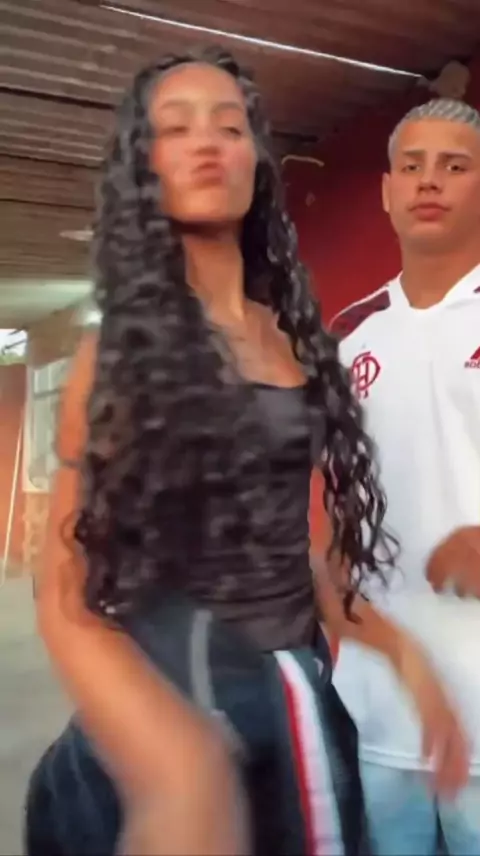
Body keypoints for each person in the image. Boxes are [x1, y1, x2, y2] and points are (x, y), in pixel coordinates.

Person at [27, 52, 468, 856]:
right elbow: (64, 590)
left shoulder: (294, 343)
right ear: (145, 168)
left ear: (257, 160)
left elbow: (281, 554)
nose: (207, 143)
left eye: (229, 126)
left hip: (297, 704)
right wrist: (175, 764)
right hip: (173, 701)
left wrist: (404, 658)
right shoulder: (122, 350)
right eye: (176, 127)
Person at [332, 97, 480, 856]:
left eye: (455, 166)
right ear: (387, 192)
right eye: (412, 166)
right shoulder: (347, 334)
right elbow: (330, 512)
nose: (430, 181)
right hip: (377, 706)